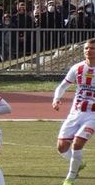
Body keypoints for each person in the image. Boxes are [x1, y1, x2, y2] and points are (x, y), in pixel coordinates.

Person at [52, 38, 95, 185]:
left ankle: (70, 178)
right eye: (87, 48)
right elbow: (63, 86)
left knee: (77, 143)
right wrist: (56, 99)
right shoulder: (77, 68)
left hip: (93, 115)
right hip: (75, 113)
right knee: (62, 147)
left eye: (92, 48)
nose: (89, 51)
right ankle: (77, 164)